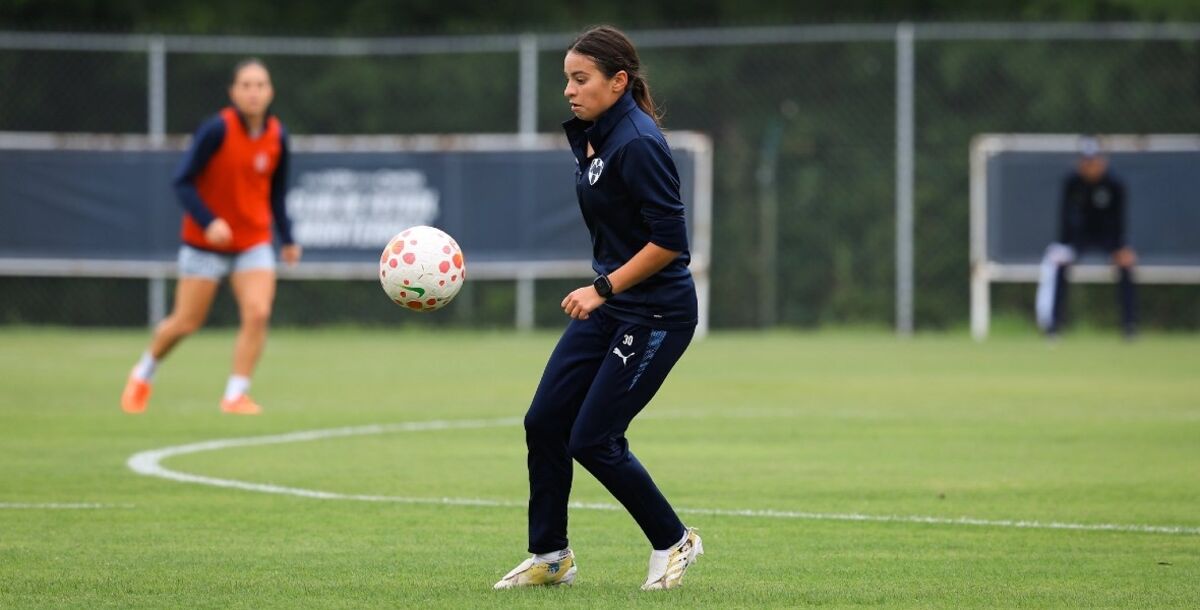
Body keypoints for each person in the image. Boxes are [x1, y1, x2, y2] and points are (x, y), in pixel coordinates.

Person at [493, 26, 703, 592]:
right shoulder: (596, 136)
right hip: (615, 306)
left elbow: (671, 242)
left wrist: (602, 288)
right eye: (567, 78)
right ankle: (550, 556)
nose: (569, 90)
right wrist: (607, 292)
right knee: (544, 422)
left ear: (618, 81)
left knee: (594, 439)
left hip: (656, 313)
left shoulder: (637, 142)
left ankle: (675, 540)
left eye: (580, 79)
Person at [120, 58, 300, 415]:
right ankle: (144, 372)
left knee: (258, 313)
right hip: (205, 244)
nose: (253, 92)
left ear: (270, 92)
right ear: (233, 92)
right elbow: (182, 182)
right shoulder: (216, 130)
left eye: (260, 85)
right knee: (185, 323)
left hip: (253, 241)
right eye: (246, 85)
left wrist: (288, 238)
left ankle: (236, 394)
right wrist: (209, 221)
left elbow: (276, 193)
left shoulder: (277, 136)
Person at [1036, 137, 1137, 338]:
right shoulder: (1072, 183)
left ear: (1102, 161)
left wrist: (1121, 247)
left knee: (1126, 263)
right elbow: (1065, 219)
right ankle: (1054, 326)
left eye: (1094, 161)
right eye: (1086, 161)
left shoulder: (1115, 185)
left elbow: (1119, 222)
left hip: (1109, 240)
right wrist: (1063, 246)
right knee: (1058, 263)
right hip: (1077, 240)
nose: (1090, 166)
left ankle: (1129, 327)